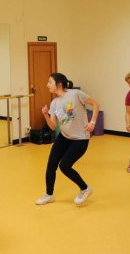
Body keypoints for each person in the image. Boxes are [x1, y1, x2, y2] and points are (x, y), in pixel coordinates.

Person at [36, 73, 99, 206]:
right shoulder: (54, 103)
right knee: (51, 164)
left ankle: (85, 188)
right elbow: (53, 126)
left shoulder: (75, 94)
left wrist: (92, 122)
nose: (47, 85)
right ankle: (49, 195)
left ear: (59, 84)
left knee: (64, 166)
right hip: (64, 137)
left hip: (80, 139)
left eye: (50, 82)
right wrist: (46, 115)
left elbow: (95, 104)